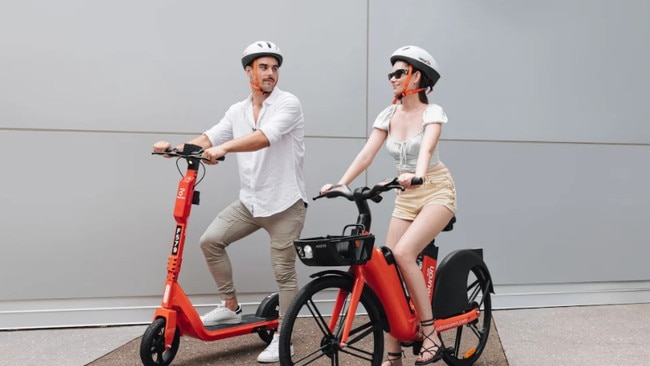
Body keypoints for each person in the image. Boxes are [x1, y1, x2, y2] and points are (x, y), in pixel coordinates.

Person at [153, 40, 308, 363]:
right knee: (211, 241)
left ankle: (284, 338)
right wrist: (176, 149)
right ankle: (230, 307)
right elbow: (210, 138)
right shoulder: (237, 111)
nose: (270, 73)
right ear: (248, 70)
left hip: (285, 205)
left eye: (275, 68)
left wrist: (224, 150)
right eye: (263, 67)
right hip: (250, 202)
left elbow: (264, 137)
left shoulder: (288, 104)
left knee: (284, 273)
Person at [320, 45, 456, 365]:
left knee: (405, 253)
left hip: (436, 190)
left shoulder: (432, 113)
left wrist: (418, 175)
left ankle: (431, 334)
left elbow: (426, 150)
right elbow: (366, 154)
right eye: (390, 74)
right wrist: (342, 182)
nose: (392, 78)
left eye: (399, 73)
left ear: (417, 75)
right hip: (405, 195)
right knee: (387, 267)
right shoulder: (388, 114)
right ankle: (393, 353)